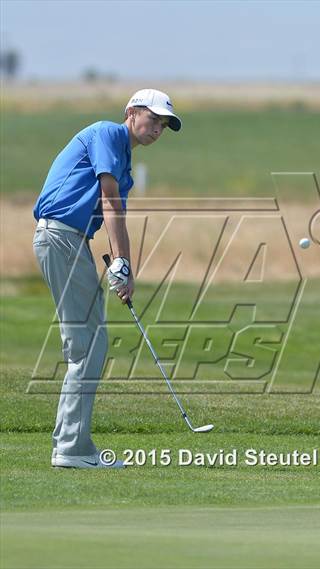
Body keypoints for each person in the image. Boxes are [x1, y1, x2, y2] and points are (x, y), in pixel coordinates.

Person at [32, 89, 182, 468]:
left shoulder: (125, 162)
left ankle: (69, 445)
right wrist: (124, 264)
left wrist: (122, 266)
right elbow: (109, 201)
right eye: (154, 119)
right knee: (88, 345)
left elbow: (117, 214)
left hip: (71, 241)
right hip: (62, 236)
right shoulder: (107, 134)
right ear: (131, 112)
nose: (158, 129)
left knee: (88, 343)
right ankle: (72, 449)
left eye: (164, 125)